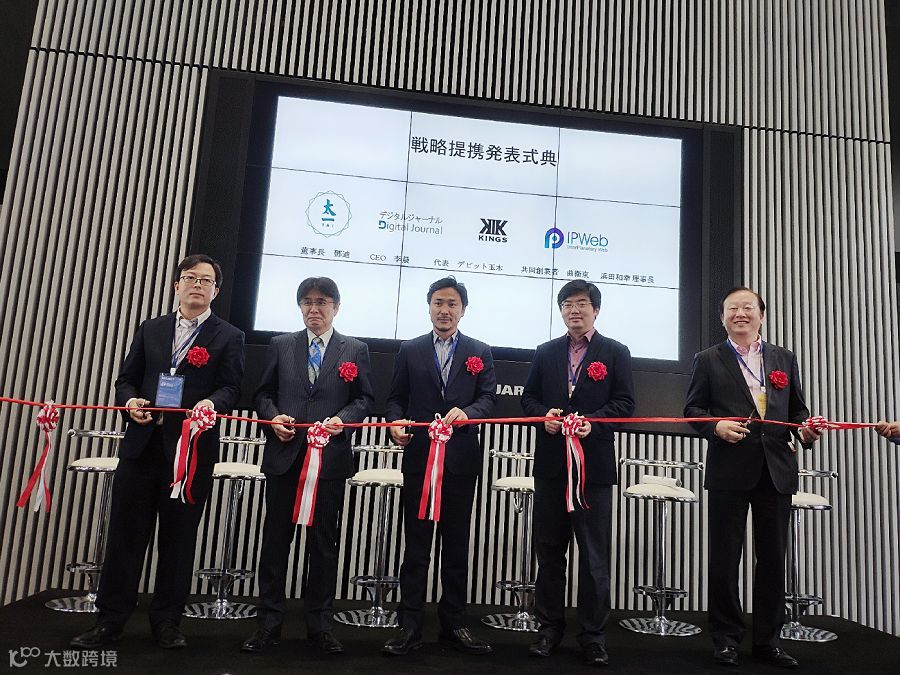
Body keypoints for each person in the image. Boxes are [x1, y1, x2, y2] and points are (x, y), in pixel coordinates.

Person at [71, 254, 245, 649]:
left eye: (205, 280)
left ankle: (167, 623)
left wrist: (211, 404)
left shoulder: (229, 336)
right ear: (176, 285)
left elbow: (232, 388)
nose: (197, 285)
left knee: (178, 540)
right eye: (190, 277)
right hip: (142, 447)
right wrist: (130, 402)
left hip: (190, 451)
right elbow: (126, 380)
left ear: (216, 291)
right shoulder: (151, 328)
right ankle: (109, 621)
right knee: (125, 537)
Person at [684, 286, 823, 669]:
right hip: (729, 468)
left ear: (762, 315)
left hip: (776, 469)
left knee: (773, 559)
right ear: (722, 318)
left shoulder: (783, 358)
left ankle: (768, 642)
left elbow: (797, 410)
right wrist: (716, 426)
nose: (740, 314)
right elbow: (692, 409)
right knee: (725, 558)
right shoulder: (707, 359)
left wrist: (806, 430)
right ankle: (726, 640)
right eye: (732, 308)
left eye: (748, 307)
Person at [241, 277, 374, 655]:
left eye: (322, 302)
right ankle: (268, 624)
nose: (314, 309)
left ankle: (320, 626)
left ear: (336, 307)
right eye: (307, 302)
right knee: (274, 544)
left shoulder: (355, 349)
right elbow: (262, 394)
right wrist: (273, 417)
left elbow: (365, 399)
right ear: (300, 306)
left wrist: (343, 419)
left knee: (323, 546)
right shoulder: (281, 344)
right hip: (284, 458)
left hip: (328, 461)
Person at [520, 279, 635, 667]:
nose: (575, 310)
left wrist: (593, 422)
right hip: (552, 467)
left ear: (596, 310)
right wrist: (544, 417)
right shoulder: (545, 352)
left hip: (594, 470)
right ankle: (548, 630)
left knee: (594, 557)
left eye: (582, 303)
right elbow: (529, 399)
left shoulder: (615, 352)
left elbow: (625, 405)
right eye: (567, 304)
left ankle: (593, 636)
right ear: (561, 311)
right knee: (550, 553)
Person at [381, 276, 497, 656]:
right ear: (428, 306)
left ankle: (455, 625)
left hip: (460, 462)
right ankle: (409, 627)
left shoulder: (480, 350)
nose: (444, 310)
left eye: (452, 304)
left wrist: (469, 413)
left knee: (456, 547)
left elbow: (488, 399)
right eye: (438, 303)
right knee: (416, 547)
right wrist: (394, 422)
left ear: (463, 310)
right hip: (419, 460)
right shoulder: (410, 349)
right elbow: (395, 399)